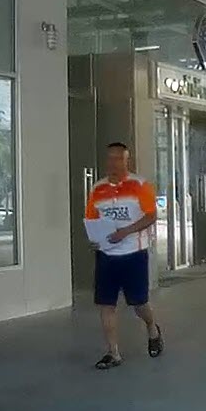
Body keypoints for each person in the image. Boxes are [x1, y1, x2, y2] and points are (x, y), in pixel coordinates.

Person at [85, 142, 164, 370]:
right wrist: (95, 237)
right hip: (106, 255)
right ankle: (113, 353)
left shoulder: (140, 185)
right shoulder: (98, 189)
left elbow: (151, 216)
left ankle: (152, 328)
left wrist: (126, 232)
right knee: (106, 304)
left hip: (133, 253)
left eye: (118, 158)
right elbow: (92, 218)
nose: (113, 163)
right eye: (110, 158)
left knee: (139, 303)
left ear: (127, 160)